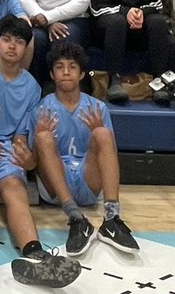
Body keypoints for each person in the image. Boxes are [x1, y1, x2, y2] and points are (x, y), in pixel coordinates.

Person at [0, 17, 82, 287]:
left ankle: (34, 254)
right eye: (7, 40)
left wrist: (28, 158)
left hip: (5, 145)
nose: (12, 46)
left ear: (26, 47)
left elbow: (20, 136)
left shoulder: (31, 86)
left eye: (19, 42)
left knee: (15, 188)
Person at [34, 41, 140, 257]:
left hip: (88, 179)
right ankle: (75, 219)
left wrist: (96, 131)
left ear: (82, 74)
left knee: (102, 133)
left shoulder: (98, 107)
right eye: (59, 67)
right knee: (43, 137)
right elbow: (32, 162)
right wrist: (33, 143)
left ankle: (111, 220)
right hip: (56, 184)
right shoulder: (42, 108)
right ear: (52, 75)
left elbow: (108, 154)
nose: (66, 72)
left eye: (72, 67)